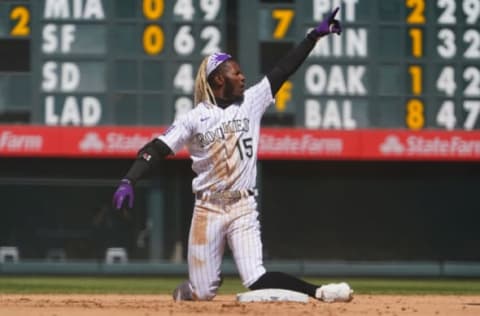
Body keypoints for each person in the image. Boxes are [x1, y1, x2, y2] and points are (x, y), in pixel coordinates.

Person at [113, 7, 353, 303]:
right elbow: (156, 149)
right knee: (202, 293)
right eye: (235, 73)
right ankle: (191, 287)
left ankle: (320, 292)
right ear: (218, 81)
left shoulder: (252, 101)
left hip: (243, 205)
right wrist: (128, 180)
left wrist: (313, 36)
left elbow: (284, 69)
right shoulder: (194, 118)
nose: (242, 77)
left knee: (256, 278)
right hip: (208, 209)